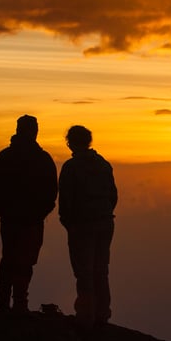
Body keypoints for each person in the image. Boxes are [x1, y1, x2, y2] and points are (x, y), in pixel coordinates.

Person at [0, 115, 58, 310]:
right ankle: (20, 302)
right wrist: (41, 213)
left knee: (9, 257)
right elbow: (52, 191)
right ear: (35, 131)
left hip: (11, 218)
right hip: (32, 220)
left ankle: (4, 301)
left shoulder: (5, 156)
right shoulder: (43, 159)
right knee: (25, 261)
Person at [58, 125, 118, 330]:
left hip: (82, 225)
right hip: (105, 222)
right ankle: (102, 314)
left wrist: (68, 223)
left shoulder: (71, 167)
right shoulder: (104, 165)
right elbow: (113, 196)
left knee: (84, 272)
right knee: (101, 270)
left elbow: (65, 201)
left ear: (70, 143)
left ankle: (85, 316)